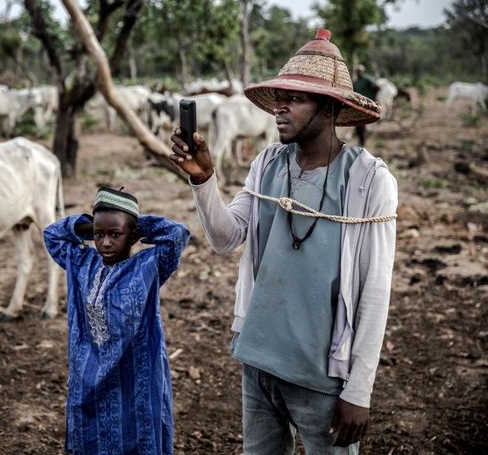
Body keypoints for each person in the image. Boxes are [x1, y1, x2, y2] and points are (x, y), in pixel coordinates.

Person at [169, 28, 397, 454]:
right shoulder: (269, 162)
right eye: (279, 98)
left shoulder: (369, 180)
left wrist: (359, 391)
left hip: (321, 375)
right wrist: (202, 180)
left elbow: (375, 290)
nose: (280, 109)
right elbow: (225, 237)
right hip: (258, 358)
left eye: (295, 99)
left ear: (329, 107)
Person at [43, 186, 190, 455]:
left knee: (136, 438)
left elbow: (177, 234)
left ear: (132, 236)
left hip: (135, 380)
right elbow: (52, 234)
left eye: (115, 235)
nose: (106, 243)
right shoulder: (82, 261)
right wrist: (91, 225)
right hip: (88, 375)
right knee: (90, 439)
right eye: (99, 235)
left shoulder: (147, 266)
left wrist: (135, 223)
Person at [352, 64, 379, 146]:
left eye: (359, 71)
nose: (358, 73)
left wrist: (372, 99)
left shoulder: (367, 80)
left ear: (363, 72)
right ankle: (360, 141)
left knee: (362, 123)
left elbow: (377, 87)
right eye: (357, 71)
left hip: (366, 105)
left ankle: (362, 142)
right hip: (358, 105)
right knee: (358, 124)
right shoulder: (356, 83)